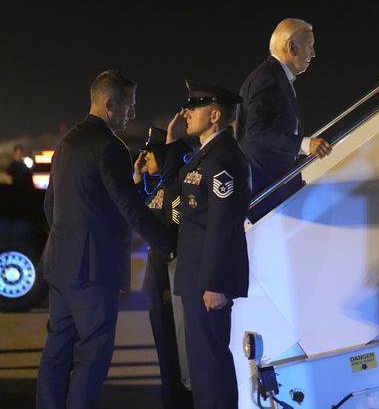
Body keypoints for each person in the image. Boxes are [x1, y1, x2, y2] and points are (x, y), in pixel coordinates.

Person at [36, 70, 176, 409]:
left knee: (56, 353)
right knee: (93, 357)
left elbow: (50, 205)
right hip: (93, 271)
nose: (132, 111)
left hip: (60, 264)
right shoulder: (110, 147)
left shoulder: (68, 142)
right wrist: (170, 242)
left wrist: (137, 182)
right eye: (129, 105)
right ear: (110, 104)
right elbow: (129, 209)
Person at [172, 80, 251, 409]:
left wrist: (215, 283)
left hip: (208, 282)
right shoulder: (205, 156)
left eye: (195, 107)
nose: (187, 113)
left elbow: (223, 224)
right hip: (195, 277)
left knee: (211, 366)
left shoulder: (224, 159)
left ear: (215, 114)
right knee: (202, 367)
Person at [236, 18, 331, 221]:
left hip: (278, 192)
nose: (313, 54)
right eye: (310, 46)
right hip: (269, 196)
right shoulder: (267, 78)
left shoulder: (275, 76)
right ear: (292, 46)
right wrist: (306, 144)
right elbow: (256, 132)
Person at [133, 123, 193, 409]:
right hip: (156, 285)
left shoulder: (177, 186)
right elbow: (142, 211)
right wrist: (136, 179)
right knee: (166, 361)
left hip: (170, 287)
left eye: (149, 154)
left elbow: (175, 235)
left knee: (179, 361)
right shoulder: (159, 186)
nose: (144, 159)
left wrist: (171, 285)